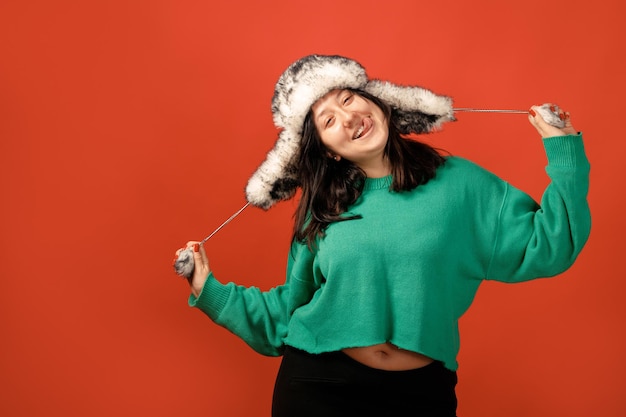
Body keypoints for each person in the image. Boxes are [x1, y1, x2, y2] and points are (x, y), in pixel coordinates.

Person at [174, 55, 590, 417]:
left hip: (421, 397)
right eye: (328, 120)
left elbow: (551, 244)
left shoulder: (461, 184)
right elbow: (287, 312)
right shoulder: (321, 212)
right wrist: (208, 290)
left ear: (376, 99)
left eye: (348, 98)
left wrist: (565, 155)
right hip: (319, 388)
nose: (349, 117)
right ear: (328, 149)